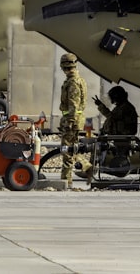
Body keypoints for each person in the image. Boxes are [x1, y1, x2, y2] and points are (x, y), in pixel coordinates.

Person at [58, 52, 87, 186]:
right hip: (74, 120)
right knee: (73, 150)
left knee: (67, 151)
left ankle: (66, 181)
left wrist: (70, 122)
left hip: (72, 121)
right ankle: (88, 168)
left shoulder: (73, 82)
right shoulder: (78, 80)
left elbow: (74, 105)